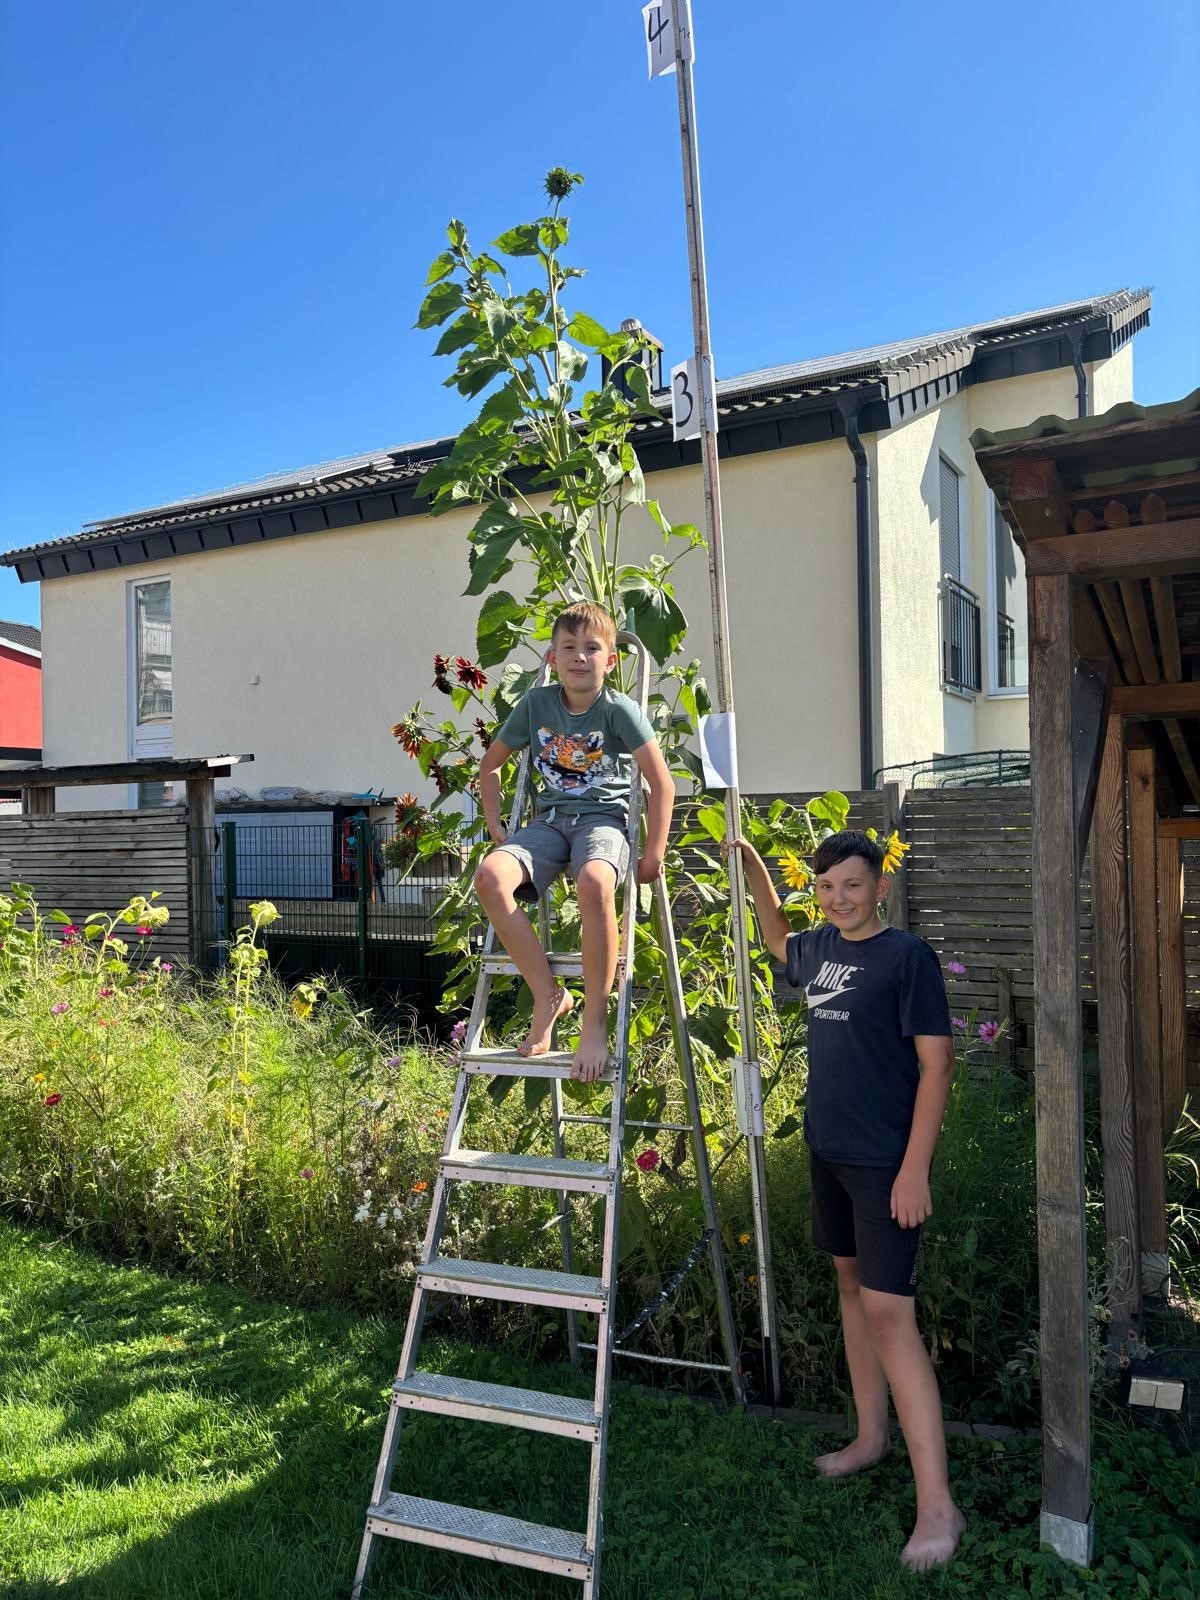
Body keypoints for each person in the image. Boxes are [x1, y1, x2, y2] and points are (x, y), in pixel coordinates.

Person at [729, 828, 964, 1571]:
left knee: (891, 1316)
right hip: (827, 1153)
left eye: (852, 885)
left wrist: (915, 1170)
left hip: (885, 1164)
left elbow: (938, 1065)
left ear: (880, 888)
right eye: (827, 887)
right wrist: (755, 868)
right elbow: (776, 938)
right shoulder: (822, 948)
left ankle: (939, 1509)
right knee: (851, 1287)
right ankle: (869, 1437)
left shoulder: (907, 958)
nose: (839, 899)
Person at [475, 603, 673, 1081]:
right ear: (552, 658)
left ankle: (594, 1023)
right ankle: (548, 996)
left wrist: (654, 852)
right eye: (569, 647)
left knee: (595, 881)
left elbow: (661, 782)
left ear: (611, 661)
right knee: (490, 877)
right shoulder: (535, 705)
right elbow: (490, 765)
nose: (580, 656)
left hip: (603, 822)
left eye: (592, 648)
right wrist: (495, 824)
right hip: (549, 823)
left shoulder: (618, 710)